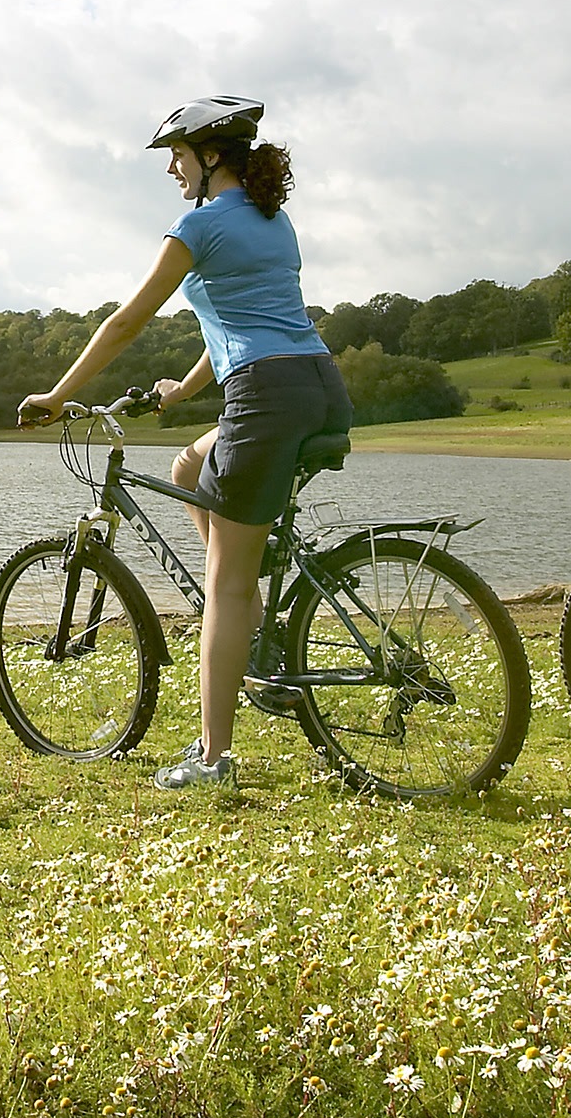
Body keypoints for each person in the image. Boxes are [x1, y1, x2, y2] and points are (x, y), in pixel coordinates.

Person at [19, 96, 351, 789]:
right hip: (316, 385)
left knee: (225, 586)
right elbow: (250, 321)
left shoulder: (198, 226)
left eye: (176, 156)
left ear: (208, 158)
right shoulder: (273, 220)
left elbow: (125, 323)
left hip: (265, 397)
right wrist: (185, 390)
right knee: (190, 461)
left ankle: (213, 757)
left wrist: (56, 394)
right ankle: (255, 629)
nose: (171, 168)